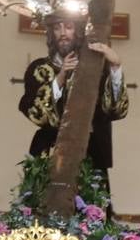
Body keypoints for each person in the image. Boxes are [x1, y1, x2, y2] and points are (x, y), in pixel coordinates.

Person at [19, 13, 128, 194]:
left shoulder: (94, 68)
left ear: (78, 32)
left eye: (68, 27)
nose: (62, 33)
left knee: (90, 213)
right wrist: (60, 77)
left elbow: (115, 110)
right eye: (57, 28)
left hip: (90, 153)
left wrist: (115, 67)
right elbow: (36, 113)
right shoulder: (39, 69)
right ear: (51, 34)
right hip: (49, 152)